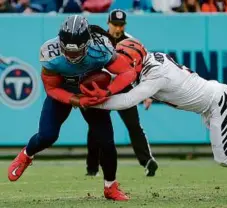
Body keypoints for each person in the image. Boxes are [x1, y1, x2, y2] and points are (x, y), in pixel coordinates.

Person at [81, 38, 227, 197]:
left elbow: (128, 100)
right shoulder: (151, 58)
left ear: (136, 61)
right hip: (213, 100)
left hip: (216, 102)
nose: (121, 68)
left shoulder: (155, 76)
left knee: (225, 157)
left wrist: (90, 102)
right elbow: (129, 73)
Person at [7, 15, 136, 201]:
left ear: (87, 43)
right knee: (47, 136)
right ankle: (26, 154)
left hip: (92, 92)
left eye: (76, 52)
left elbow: (126, 71)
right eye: (67, 51)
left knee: (106, 141)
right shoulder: (50, 53)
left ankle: (111, 186)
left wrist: (107, 91)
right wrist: (76, 99)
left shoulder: (101, 47)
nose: (71, 56)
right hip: (64, 89)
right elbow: (51, 88)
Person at [86, 9, 158, 177]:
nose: (118, 28)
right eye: (115, 24)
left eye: (121, 25)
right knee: (96, 127)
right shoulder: (99, 39)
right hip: (102, 87)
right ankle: (92, 168)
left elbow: (142, 67)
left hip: (123, 87)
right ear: (108, 23)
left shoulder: (130, 41)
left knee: (133, 124)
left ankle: (147, 161)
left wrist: (147, 93)